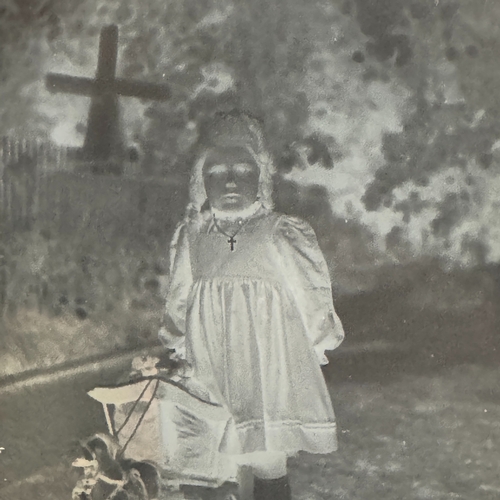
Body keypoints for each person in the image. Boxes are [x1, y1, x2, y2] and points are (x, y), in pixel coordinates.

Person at [159, 110, 345, 500]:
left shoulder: (280, 232)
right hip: (206, 362)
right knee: (205, 458)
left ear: (261, 178)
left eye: (243, 170)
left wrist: (315, 344)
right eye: (217, 172)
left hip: (264, 367)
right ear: (200, 181)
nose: (230, 180)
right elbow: (180, 295)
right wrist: (176, 345)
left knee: (263, 456)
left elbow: (311, 292)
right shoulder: (193, 234)